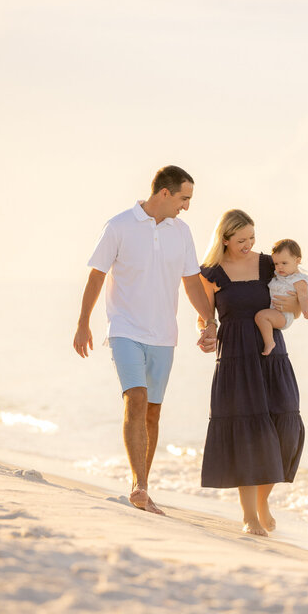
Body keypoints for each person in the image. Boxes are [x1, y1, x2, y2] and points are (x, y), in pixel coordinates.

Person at [72, 165, 216, 516]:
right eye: (184, 198)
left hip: (164, 335)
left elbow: (193, 282)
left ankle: (143, 485)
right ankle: (138, 486)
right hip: (125, 330)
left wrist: (209, 321)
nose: (186, 206)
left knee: (152, 412)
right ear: (164, 193)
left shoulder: (181, 232)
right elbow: (96, 276)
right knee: (136, 398)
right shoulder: (119, 226)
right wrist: (83, 323)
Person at [195, 209, 305, 536]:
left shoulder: (268, 264)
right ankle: (249, 516)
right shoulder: (210, 273)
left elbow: (296, 291)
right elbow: (204, 316)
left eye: (252, 238)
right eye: (241, 240)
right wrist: (206, 331)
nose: (249, 245)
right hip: (235, 358)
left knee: (285, 427)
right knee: (246, 432)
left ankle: (263, 500)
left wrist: (293, 309)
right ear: (225, 239)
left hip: (270, 352)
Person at [255, 239, 308, 356]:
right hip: (276, 311)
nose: (279, 267)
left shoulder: (298, 280)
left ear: (297, 261)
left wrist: (306, 310)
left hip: (284, 315)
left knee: (261, 316)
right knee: (262, 316)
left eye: (284, 263)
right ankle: (268, 340)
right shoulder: (279, 276)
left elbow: (304, 296)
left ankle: (270, 342)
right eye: (276, 263)